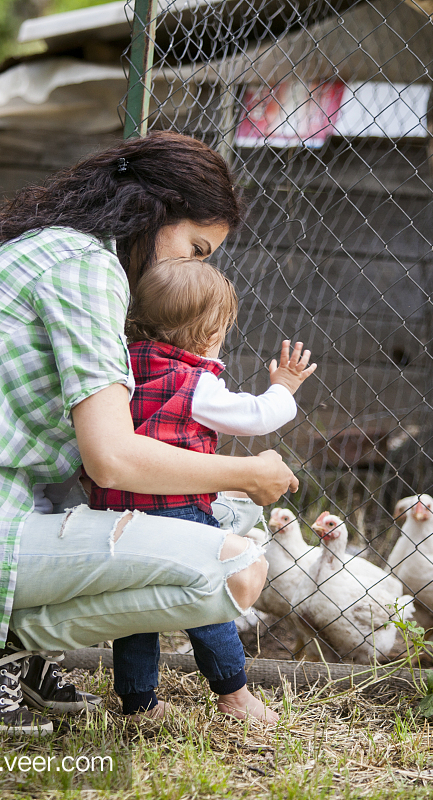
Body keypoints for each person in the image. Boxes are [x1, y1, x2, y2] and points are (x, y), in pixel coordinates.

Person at [0, 132, 299, 734]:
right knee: (235, 565)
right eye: (194, 249)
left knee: (219, 516)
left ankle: (5, 639)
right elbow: (112, 459)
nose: (192, 270)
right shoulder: (87, 272)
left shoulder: (50, 249)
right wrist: (248, 470)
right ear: (155, 211)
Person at [89, 257, 316, 720]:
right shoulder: (195, 383)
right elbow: (255, 418)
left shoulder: (118, 368)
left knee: (135, 608)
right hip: (179, 512)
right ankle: (233, 695)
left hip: (118, 516)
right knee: (208, 601)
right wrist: (284, 388)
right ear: (209, 331)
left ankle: (138, 702)